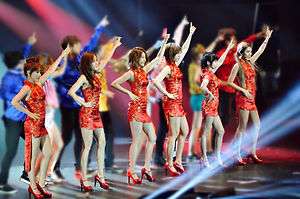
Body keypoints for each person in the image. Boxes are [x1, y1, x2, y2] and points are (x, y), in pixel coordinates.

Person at [54, 15, 109, 179]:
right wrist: (77, 97)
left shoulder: (80, 59)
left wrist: (100, 26)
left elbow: (91, 44)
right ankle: (54, 167)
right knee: (66, 136)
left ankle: (80, 168)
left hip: (83, 107)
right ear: (70, 47)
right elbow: (59, 83)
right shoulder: (61, 63)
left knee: (83, 137)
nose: (80, 46)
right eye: (77, 44)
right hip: (68, 105)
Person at [12, 47, 70, 199]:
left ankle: (40, 183)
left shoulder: (39, 83)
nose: (39, 74)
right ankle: (33, 187)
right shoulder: (27, 87)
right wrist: (30, 113)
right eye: (36, 72)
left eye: (39, 71)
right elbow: (15, 102)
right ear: (28, 74)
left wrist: (63, 55)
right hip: (32, 126)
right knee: (32, 158)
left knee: (48, 153)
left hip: (42, 125)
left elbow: (50, 70)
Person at [112, 35, 169, 184]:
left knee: (152, 138)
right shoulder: (130, 73)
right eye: (142, 57)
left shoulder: (144, 70)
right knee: (137, 140)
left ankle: (146, 168)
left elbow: (158, 59)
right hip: (135, 110)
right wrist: (129, 93)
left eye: (145, 57)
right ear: (136, 58)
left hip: (144, 109)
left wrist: (163, 43)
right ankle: (131, 170)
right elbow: (115, 83)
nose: (144, 60)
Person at [68, 37, 121, 191]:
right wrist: (82, 102)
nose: (97, 62)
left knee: (102, 143)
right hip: (86, 115)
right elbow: (71, 91)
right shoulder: (84, 77)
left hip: (96, 115)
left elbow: (106, 58)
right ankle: (84, 180)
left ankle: (100, 176)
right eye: (94, 61)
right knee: (88, 146)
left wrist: (114, 47)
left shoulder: (97, 73)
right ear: (87, 64)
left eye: (97, 60)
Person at [153, 23, 196, 176]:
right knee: (173, 134)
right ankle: (169, 163)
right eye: (177, 53)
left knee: (185, 131)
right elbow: (156, 81)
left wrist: (190, 34)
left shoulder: (176, 65)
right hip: (170, 103)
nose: (180, 55)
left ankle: (177, 160)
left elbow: (184, 50)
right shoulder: (167, 67)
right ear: (171, 54)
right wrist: (167, 93)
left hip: (178, 103)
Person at [227, 27, 273, 165]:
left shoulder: (250, 62)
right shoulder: (237, 65)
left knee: (257, 125)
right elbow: (229, 82)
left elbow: (260, 51)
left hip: (251, 99)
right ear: (241, 53)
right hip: (242, 98)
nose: (250, 53)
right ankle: (235, 153)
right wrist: (243, 90)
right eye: (247, 51)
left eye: (250, 51)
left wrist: (267, 39)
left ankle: (252, 152)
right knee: (242, 127)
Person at [0, 33, 36, 194]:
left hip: (23, 118)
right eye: (22, 61)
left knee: (33, 143)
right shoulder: (8, 78)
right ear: (16, 64)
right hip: (13, 119)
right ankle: (1, 182)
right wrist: (23, 97)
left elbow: (23, 55)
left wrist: (28, 43)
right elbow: (7, 96)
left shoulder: (19, 71)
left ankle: (26, 173)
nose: (25, 62)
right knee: (11, 150)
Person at [199, 39, 234, 167]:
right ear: (209, 62)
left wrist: (229, 48)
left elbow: (221, 61)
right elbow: (202, 86)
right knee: (206, 132)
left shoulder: (211, 72)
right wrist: (210, 93)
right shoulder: (208, 74)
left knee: (220, 131)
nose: (217, 63)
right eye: (214, 61)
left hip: (214, 107)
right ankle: (204, 158)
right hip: (209, 105)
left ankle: (217, 156)